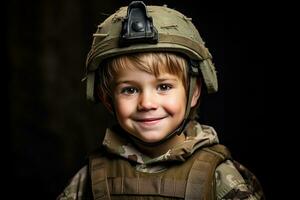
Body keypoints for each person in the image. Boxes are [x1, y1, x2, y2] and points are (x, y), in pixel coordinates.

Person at [57, 1, 264, 199]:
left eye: (164, 87)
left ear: (194, 92)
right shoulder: (92, 177)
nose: (147, 103)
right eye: (129, 90)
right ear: (107, 99)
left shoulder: (219, 176)